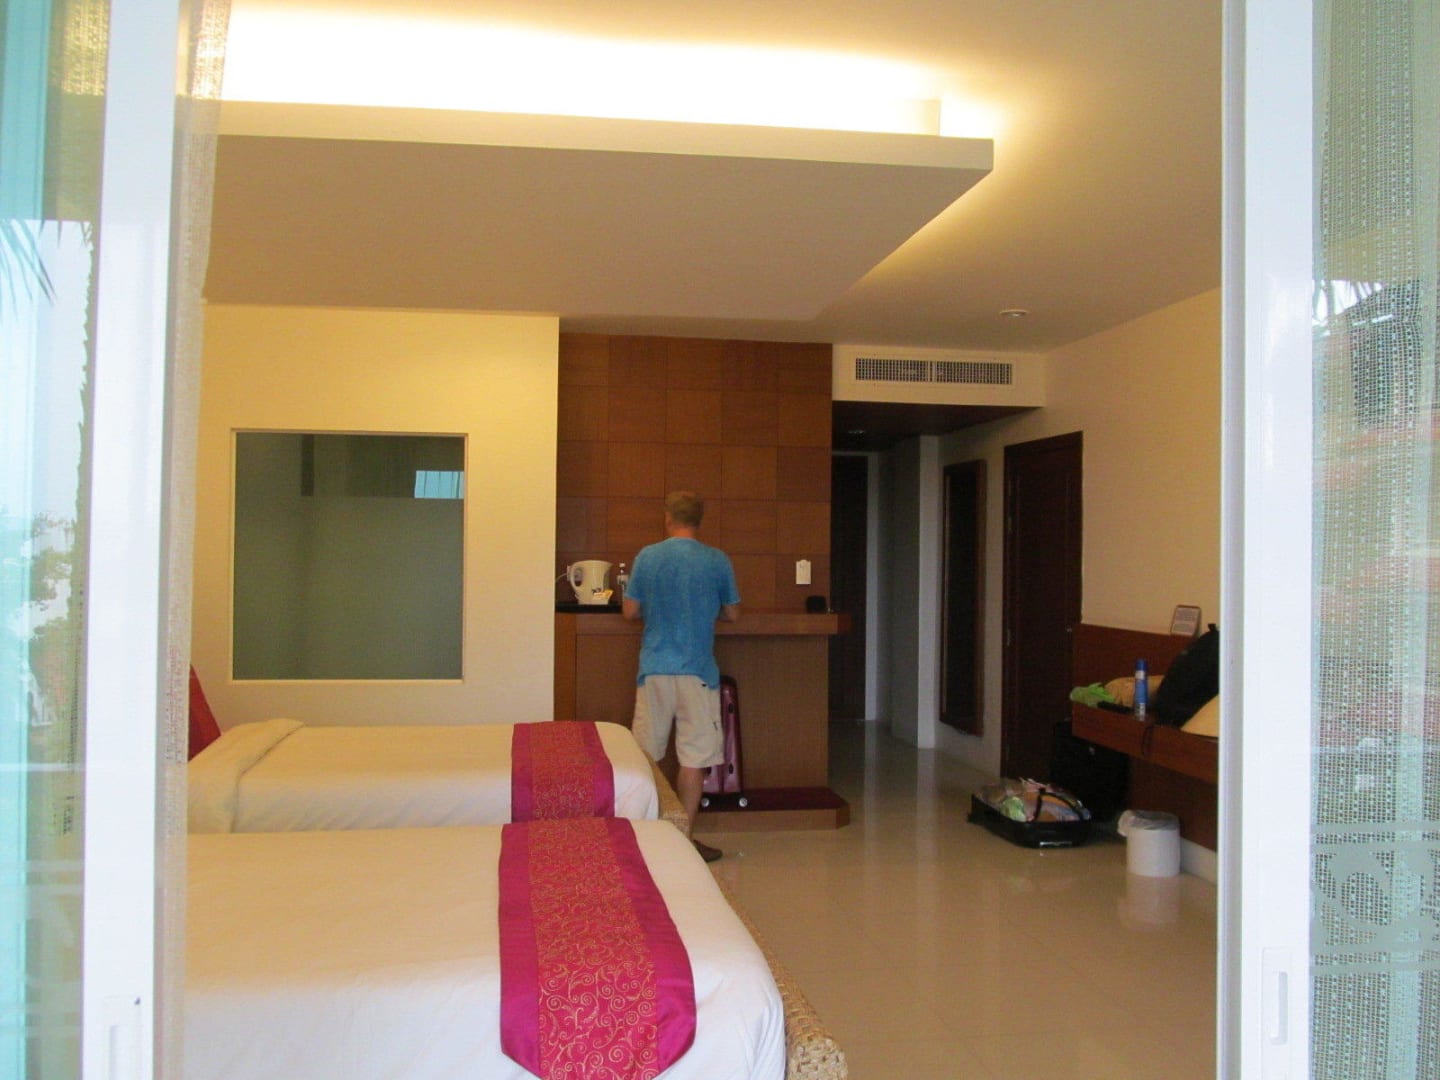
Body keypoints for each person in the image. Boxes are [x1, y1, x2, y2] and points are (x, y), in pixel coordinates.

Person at [622, 490, 739, 863]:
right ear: (699, 520)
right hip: (698, 672)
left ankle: (649, 836)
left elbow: (630, 611)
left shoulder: (648, 556)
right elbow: (733, 613)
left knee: (646, 755)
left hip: (655, 670)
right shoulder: (716, 560)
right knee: (693, 758)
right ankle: (683, 840)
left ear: (668, 518)